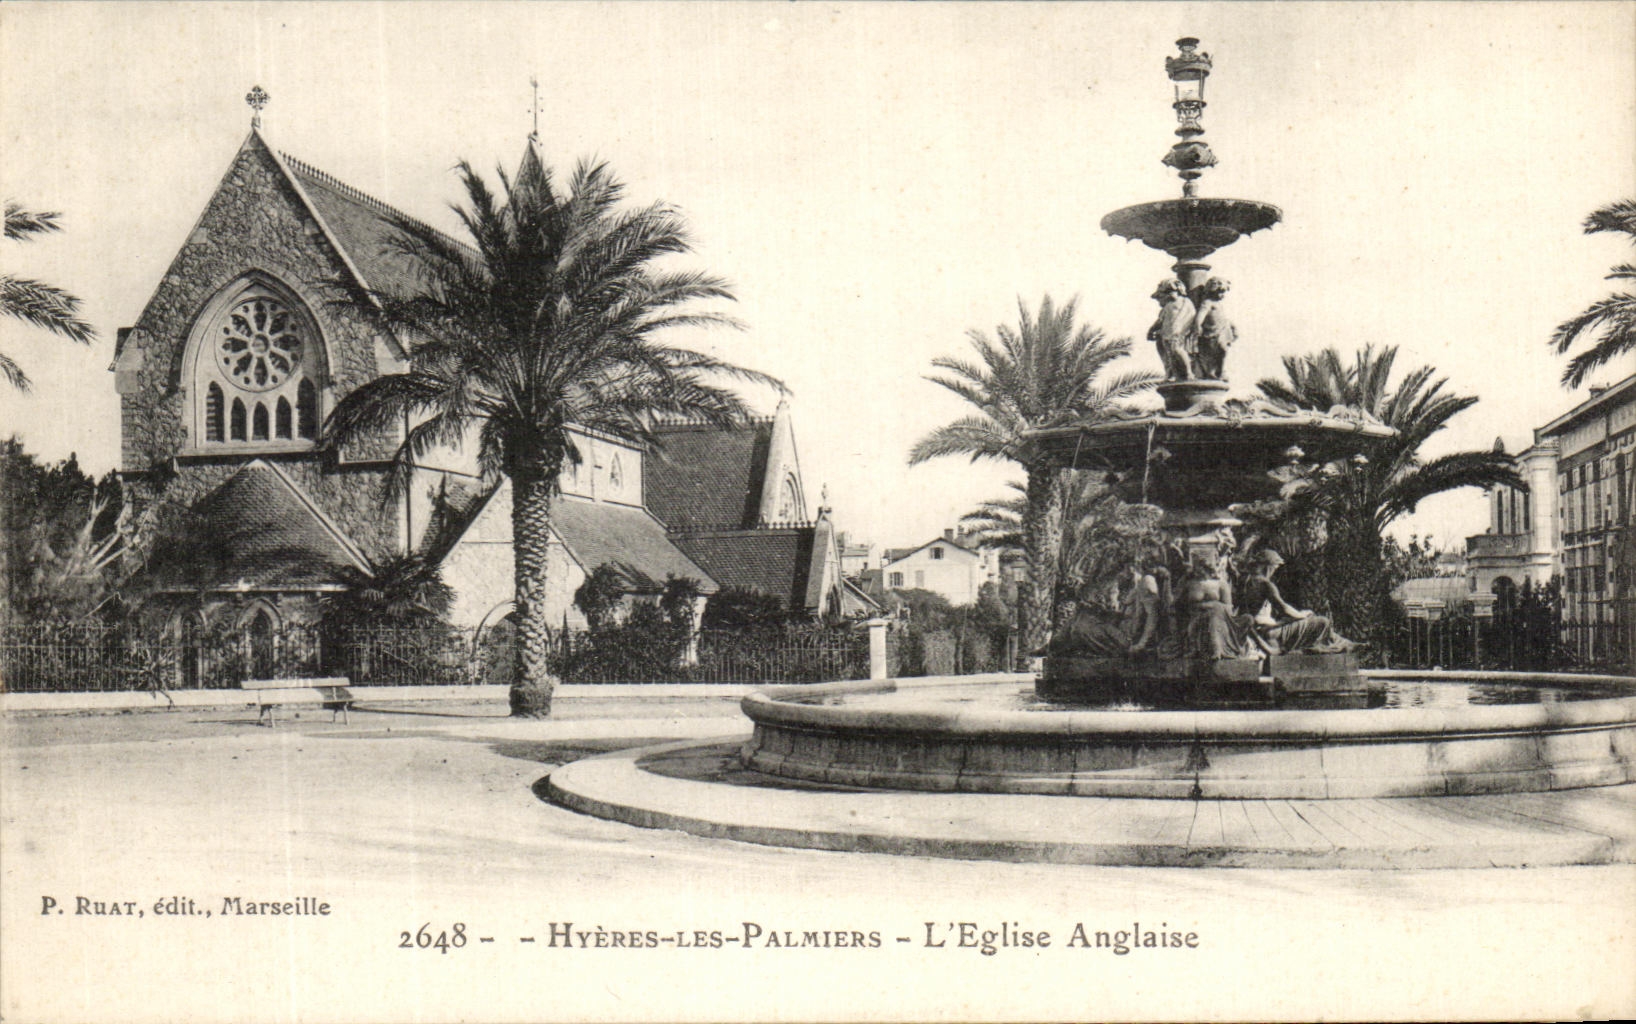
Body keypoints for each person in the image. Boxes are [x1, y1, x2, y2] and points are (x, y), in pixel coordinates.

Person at [1240, 549, 1356, 654]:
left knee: (1313, 623)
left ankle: (1344, 644)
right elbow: (1284, 608)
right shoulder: (1266, 584)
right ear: (1268, 567)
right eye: (1275, 568)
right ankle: (1342, 646)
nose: (1274, 572)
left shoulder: (1247, 582)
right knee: (1322, 622)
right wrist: (1302, 615)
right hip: (1270, 630)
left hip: (1261, 629)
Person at [1053, 563, 1174, 658]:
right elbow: (1125, 614)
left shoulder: (1146, 582)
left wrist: (1141, 645)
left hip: (1125, 640)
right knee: (1082, 616)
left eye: (1123, 569)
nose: (1120, 574)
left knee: (1080, 625)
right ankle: (1055, 645)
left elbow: (1152, 616)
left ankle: (1055, 646)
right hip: (1118, 633)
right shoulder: (1138, 584)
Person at [1176, 552, 1267, 661]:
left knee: (1217, 614)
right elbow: (1178, 604)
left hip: (1220, 620)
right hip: (1196, 619)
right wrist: (1204, 606)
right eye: (1196, 565)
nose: (1197, 569)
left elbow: (1228, 608)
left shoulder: (1221, 584)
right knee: (1213, 613)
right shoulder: (1189, 584)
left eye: (1200, 566)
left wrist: (1213, 607)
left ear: (1208, 567)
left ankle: (1218, 650)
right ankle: (1216, 649)